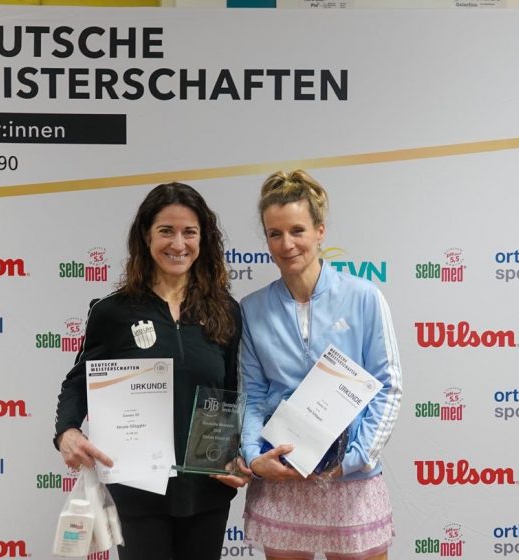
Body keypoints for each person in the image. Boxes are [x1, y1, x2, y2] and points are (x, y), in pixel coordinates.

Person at [54, 182, 249, 560]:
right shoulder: (113, 312)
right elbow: (78, 383)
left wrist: (234, 452)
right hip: (137, 489)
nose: (178, 243)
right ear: (146, 236)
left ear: (203, 238)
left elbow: (229, 391)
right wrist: (67, 431)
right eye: (166, 231)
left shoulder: (225, 311)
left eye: (189, 232)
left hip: (206, 489)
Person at [239, 170, 404, 560]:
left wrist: (353, 460)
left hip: (349, 482)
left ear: (320, 231)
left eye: (297, 230)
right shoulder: (252, 308)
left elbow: (388, 387)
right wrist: (254, 456)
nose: (287, 244)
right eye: (275, 234)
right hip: (281, 478)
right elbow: (252, 394)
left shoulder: (364, 297)